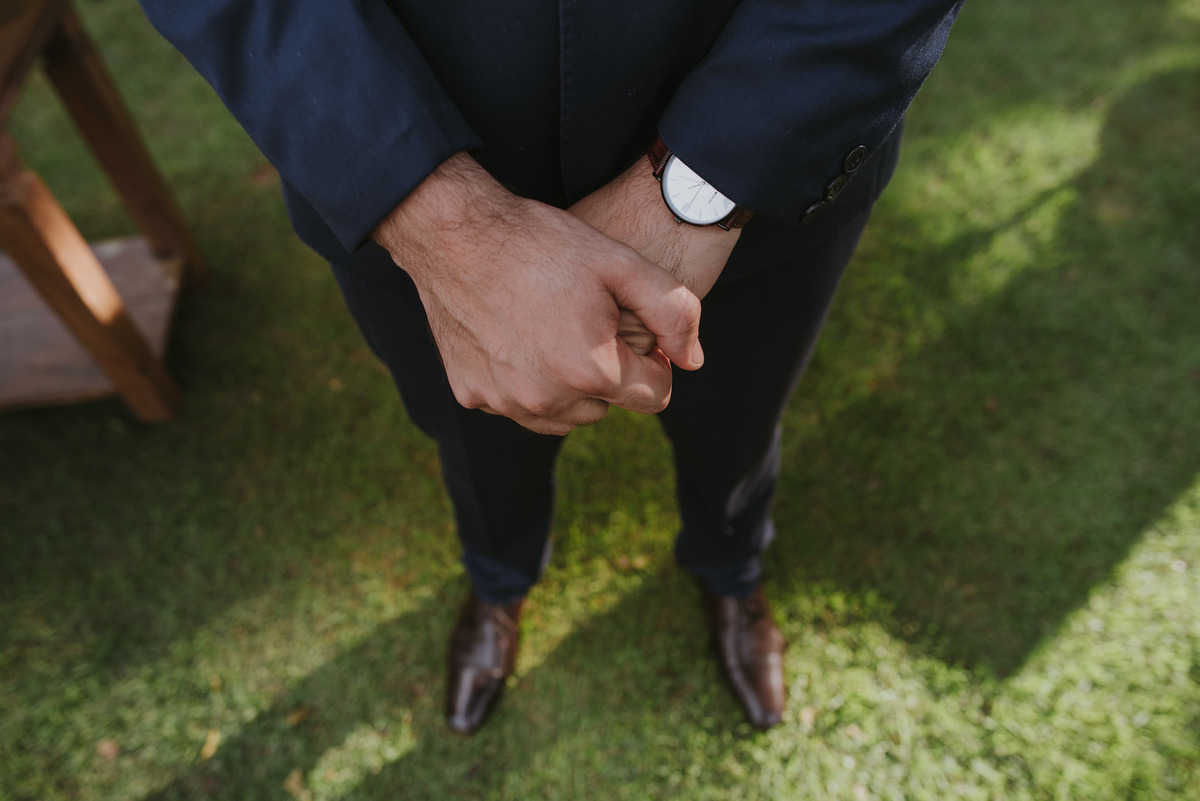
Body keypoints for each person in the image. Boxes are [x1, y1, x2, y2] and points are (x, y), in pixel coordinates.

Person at [138, 0, 964, 734]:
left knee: (738, 421)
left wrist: (699, 189)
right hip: (412, 164)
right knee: (477, 442)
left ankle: (731, 566)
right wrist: (437, 217)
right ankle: (498, 578)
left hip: (762, 172)